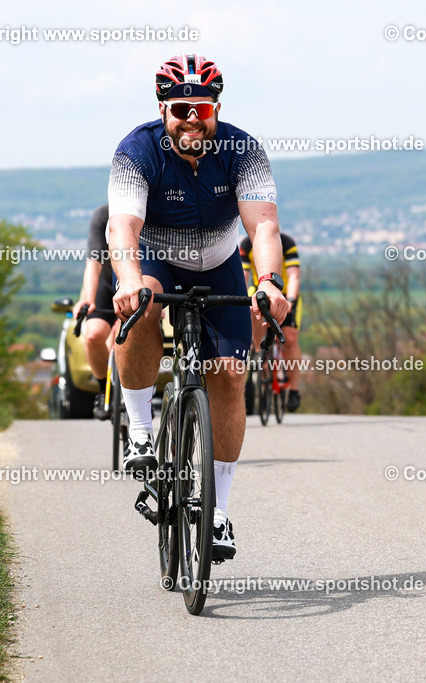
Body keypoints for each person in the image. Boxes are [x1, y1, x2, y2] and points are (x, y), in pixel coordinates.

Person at [108, 54, 291, 561]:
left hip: (219, 263)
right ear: (162, 109)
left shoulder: (243, 150)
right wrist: (128, 280)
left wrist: (269, 283)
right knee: (141, 307)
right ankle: (140, 430)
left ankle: (218, 511)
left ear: (217, 109)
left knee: (229, 376)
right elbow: (123, 227)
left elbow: (263, 226)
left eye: (203, 108)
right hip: (157, 259)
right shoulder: (136, 150)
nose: (193, 118)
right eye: (181, 108)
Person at [239, 232, 303, 411]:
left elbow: (294, 276)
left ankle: (293, 390)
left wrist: (291, 300)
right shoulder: (246, 244)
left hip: (286, 294)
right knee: (251, 307)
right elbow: (243, 275)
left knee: (290, 339)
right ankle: (259, 350)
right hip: (261, 291)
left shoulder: (286, 242)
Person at [72, 204, 116, 420]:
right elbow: (93, 262)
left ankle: (137, 395)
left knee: (125, 337)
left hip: (142, 282)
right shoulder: (103, 215)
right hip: (106, 282)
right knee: (93, 335)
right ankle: (104, 389)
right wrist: (88, 299)